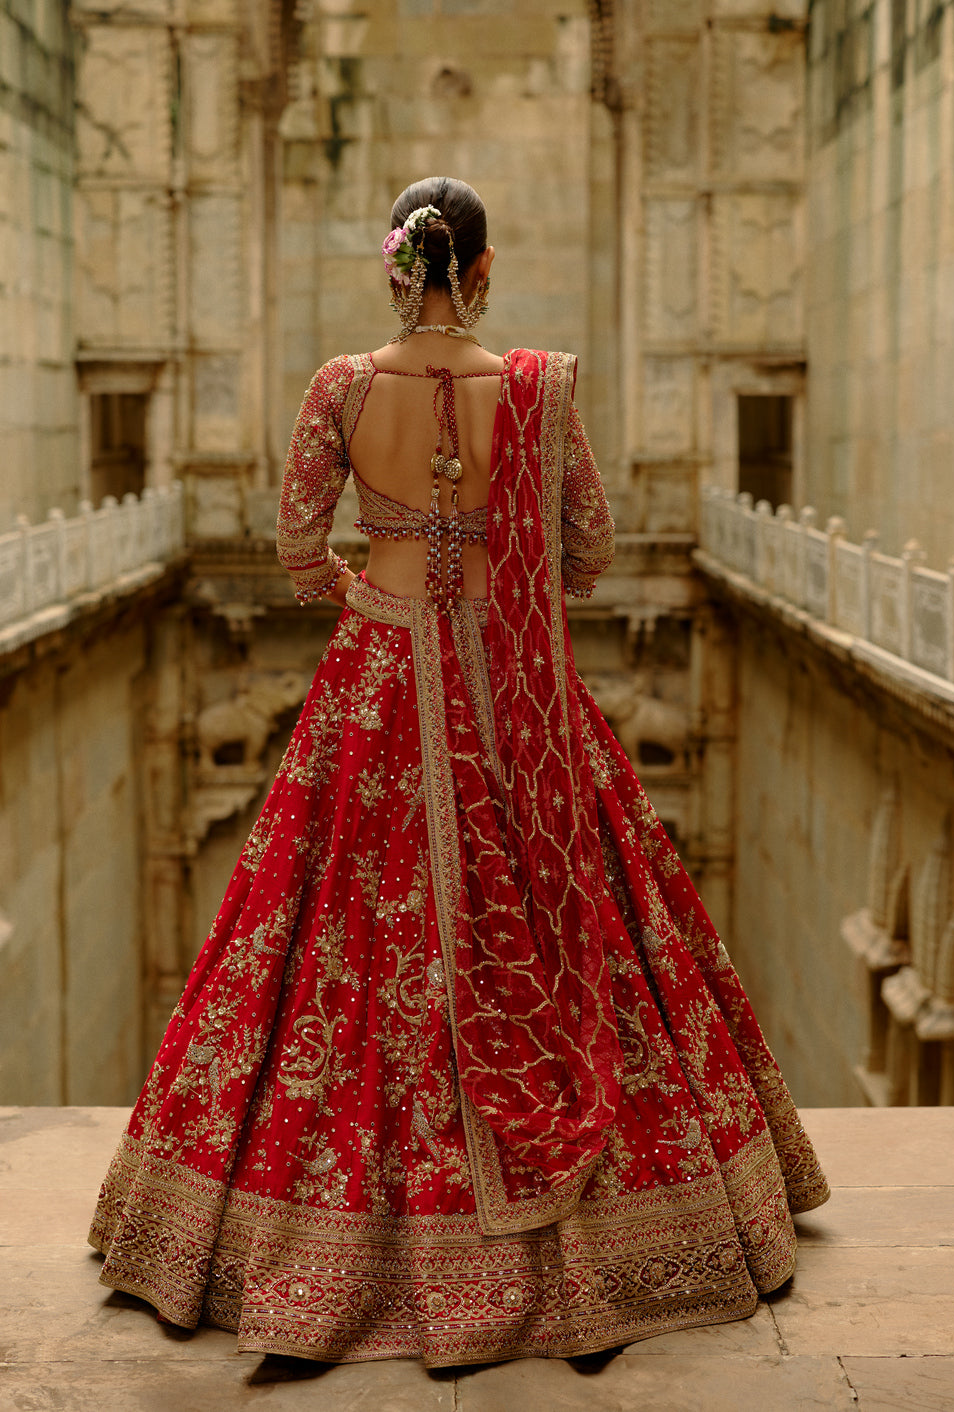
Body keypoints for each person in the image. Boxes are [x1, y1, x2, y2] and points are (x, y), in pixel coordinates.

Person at [90, 176, 828, 1367]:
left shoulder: (341, 386)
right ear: (480, 273)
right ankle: (605, 1242)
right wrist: (499, 586)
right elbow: (585, 548)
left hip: (376, 689)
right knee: (579, 918)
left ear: (396, 270)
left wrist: (381, 598)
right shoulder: (537, 390)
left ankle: (294, 1249)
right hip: (519, 695)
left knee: (341, 947)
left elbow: (295, 547)